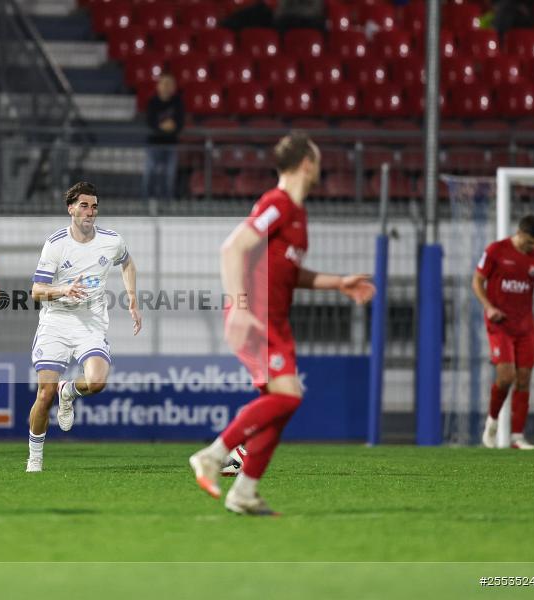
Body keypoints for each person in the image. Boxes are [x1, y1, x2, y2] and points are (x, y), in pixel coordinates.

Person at [188, 132, 375, 515]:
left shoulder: (298, 214)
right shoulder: (277, 204)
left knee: (280, 403)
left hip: (274, 320)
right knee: (288, 396)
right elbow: (233, 247)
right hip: (256, 317)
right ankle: (214, 455)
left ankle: (244, 491)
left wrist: (338, 283)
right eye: (317, 160)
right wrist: (240, 307)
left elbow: (290, 273)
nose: (320, 168)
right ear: (307, 163)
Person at [26, 181, 141, 472]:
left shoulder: (111, 241)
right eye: (84, 205)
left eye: (94, 206)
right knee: (45, 394)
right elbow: (37, 290)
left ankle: (68, 392)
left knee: (97, 382)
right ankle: (35, 458)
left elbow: (127, 264)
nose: (91, 211)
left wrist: (132, 298)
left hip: (90, 321)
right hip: (56, 321)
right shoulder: (56, 244)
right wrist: (62, 290)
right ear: (71, 209)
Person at [473, 215, 534, 450]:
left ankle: (517, 437)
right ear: (519, 233)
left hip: (525, 326)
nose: (532, 248)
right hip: (500, 324)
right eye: (528, 243)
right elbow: (477, 282)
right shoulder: (496, 250)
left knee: (524, 378)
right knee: (506, 377)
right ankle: (492, 422)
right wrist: (489, 307)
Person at [143, 74, 184, 200]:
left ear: (174, 87)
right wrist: (162, 126)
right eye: (164, 83)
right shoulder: (152, 102)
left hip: (171, 144)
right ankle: (147, 202)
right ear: (158, 86)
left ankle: (168, 202)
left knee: (170, 175)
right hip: (154, 144)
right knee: (150, 174)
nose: (167, 87)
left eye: (170, 84)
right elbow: (150, 122)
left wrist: (171, 126)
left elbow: (179, 123)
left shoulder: (178, 102)